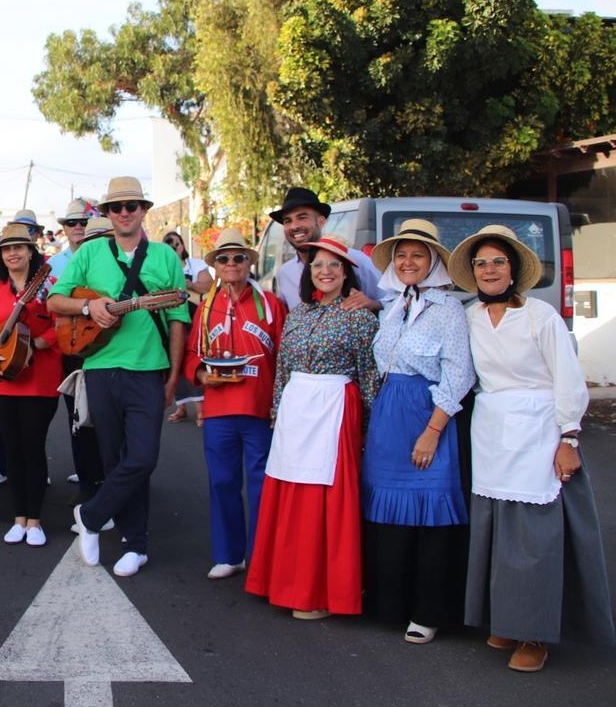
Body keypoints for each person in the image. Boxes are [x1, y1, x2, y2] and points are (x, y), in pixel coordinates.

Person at [449, 225, 615, 672]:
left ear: (515, 268)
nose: (488, 269)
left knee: (535, 540)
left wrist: (569, 437)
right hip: (491, 433)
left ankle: (536, 634)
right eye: (481, 263)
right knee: (498, 535)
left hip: (541, 430)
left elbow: (567, 377)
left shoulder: (540, 317)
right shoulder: (469, 317)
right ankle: (505, 619)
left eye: (498, 261)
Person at [48, 176, 190, 578]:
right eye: (116, 207)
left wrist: (173, 377)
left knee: (142, 458)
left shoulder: (163, 257)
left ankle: (91, 516)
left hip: (148, 370)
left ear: (144, 210)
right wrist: (89, 308)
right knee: (114, 460)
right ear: (107, 215)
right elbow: (56, 300)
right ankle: (135, 542)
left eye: (131, 206)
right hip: (99, 368)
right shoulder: (90, 252)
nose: (124, 213)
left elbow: (178, 319)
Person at [246, 235, 380, 618]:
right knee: (289, 494)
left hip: (334, 409)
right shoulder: (298, 314)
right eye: (318, 265)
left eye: (333, 266)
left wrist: (367, 429)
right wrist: (276, 411)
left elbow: (369, 376)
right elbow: (283, 370)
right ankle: (281, 581)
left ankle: (319, 591)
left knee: (324, 500)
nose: (325, 272)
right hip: (295, 409)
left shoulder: (359, 317)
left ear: (346, 273)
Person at [360, 220, 474, 644]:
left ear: (433, 262)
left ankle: (428, 612)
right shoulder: (393, 304)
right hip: (389, 416)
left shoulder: (448, 311)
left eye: (418, 255)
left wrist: (432, 431)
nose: (408, 262)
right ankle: (389, 604)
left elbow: (459, 373)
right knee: (387, 514)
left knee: (431, 512)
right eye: (402, 255)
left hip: (428, 414)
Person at [183, 229, 285, 580]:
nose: (231, 264)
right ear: (215, 266)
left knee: (262, 484)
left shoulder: (270, 305)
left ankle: (262, 556)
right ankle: (229, 554)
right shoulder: (206, 308)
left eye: (238, 258)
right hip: (220, 410)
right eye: (223, 259)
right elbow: (192, 354)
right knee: (222, 481)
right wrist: (201, 375)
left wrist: (280, 403)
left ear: (248, 263)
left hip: (259, 408)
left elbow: (285, 355)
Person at [0, 224, 62, 546]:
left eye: (19, 247)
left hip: (40, 382)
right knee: (12, 450)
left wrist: (35, 343)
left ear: (32, 251)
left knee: (32, 447)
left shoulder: (50, 287)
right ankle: (18, 517)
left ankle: (34, 519)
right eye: (7, 249)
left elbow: (65, 327)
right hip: (1, 382)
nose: (12, 253)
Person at [47, 199, 104, 501]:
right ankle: (87, 474)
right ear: (64, 229)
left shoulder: (111, 257)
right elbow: (49, 304)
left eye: (83, 222)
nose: (78, 228)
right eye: (72, 223)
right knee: (77, 416)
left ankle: (105, 476)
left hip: (107, 347)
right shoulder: (55, 264)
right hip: (71, 348)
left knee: (108, 419)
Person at [271, 187, 382, 311]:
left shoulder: (356, 261)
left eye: (302, 217)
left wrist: (373, 304)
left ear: (321, 222)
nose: (294, 226)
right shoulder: (286, 273)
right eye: (287, 221)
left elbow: (393, 303)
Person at [163, 230, 212, 424]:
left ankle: (201, 411)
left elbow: (207, 286)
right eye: (169, 244)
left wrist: (187, 284)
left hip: (195, 320)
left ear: (183, 245)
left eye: (176, 243)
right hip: (173, 321)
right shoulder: (164, 267)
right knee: (176, 363)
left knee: (195, 360)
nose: (174, 246)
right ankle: (181, 407)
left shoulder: (197, 265)